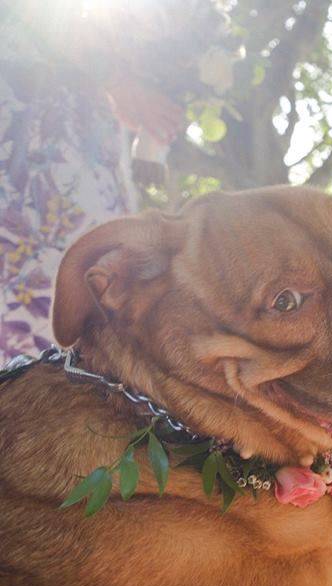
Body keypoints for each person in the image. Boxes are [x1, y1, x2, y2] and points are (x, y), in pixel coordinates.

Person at [0, 0, 229, 361]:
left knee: (89, 269)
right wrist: (116, 81)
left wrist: (140, 111)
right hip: (26, 106)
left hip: (86, 135)